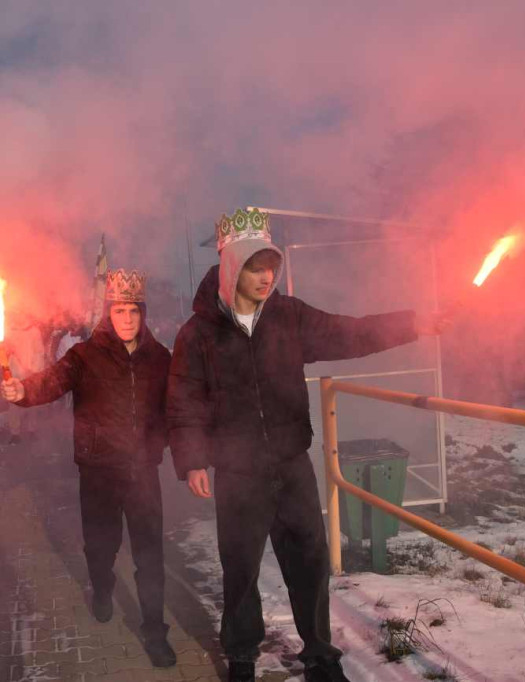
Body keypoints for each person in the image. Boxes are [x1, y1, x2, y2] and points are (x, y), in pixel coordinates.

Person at [167, 208, 448, 682]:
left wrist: (414, 324)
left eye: (271, 265)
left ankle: (319, 652)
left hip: (291, 464)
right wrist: (193, 460)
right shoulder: (198, 334)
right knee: (240, 568)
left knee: (310, 561)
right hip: (238, 472)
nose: (267, 276)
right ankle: (241, 654)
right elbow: (183, 399)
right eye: (256, 266)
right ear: (233, 265)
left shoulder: (289, 316)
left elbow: (351, 332)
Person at [0, 269, 177, 668]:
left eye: (134, 311)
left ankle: (154, 630)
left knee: (149, 554)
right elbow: (52, 381)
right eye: (120, 311)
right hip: (98, 469)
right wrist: (23, 391)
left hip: (143, 470)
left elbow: (176, 404)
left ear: (142, 313)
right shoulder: (85, 355)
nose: (127, 319)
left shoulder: (159, 357)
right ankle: (102, 585)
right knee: (101, 546)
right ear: (107, 312)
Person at [5, 319, 47, 444]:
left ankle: (32, 430)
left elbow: (39, 352)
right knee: (14, 405)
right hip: (15, 374)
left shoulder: (34, 331)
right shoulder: (9, 330)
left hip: (31, 374)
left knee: (32, 403)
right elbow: (4, 352)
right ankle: (15, 433)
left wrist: (37, 370)